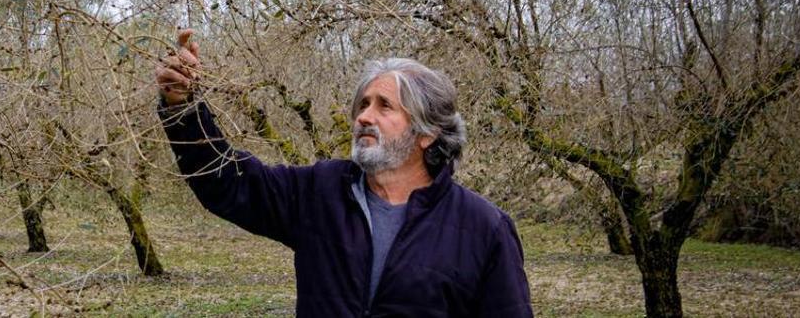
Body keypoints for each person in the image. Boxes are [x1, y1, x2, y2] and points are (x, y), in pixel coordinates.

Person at [155, 29, 532, 317]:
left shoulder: (484, 228)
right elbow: (226, 182)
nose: (364, 116)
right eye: (363, 104)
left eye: (385, 106)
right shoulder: (320, 193)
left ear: (426, 133)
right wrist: (183, 107)